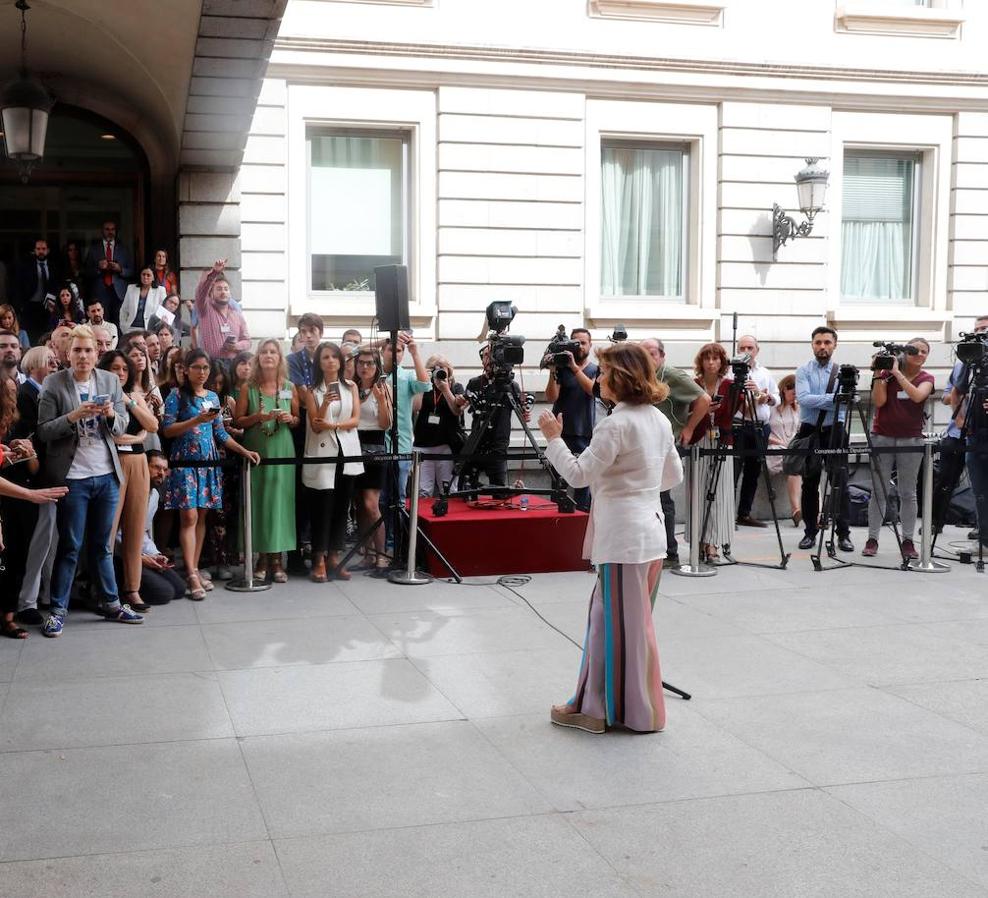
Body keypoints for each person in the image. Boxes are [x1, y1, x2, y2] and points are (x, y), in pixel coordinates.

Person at [538, 342, 682, 735]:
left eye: (603, 371)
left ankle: (607, 710)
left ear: (620, 378)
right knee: (626, 625)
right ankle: (611, 708)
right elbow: (673, 477)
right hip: (650, 534)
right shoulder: (658, 419)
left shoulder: (616, 424)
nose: (598, 378)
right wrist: (638, 486)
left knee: (612, 625)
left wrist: (553, 438)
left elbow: (578, 475)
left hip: (624, 538)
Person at [36, 325, 140, 636]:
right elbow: (43, 431)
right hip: (73, 477)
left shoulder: (109, 380)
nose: (83, 355)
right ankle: (57, 610)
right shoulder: (54, 383)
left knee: (102, 545)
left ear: (97, 354)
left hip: (106, 475)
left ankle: (111, 602)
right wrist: (73, 416)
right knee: (70, 546)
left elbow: (122, 423)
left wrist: (110, 415)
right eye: (77, 350)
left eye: (88, 350)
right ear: (68, 354)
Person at [162, 349, 259, 600]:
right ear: (186, 369)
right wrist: (196, 420)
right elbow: (168, 430)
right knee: (189, 517)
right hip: (184, 462)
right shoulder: (176, 396)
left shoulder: (214, 397)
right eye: (196, 367)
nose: (202, 372)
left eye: (205, 368)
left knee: (202, 516)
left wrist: (243, 450)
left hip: (209, 463)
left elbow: (221, 434)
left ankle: (193, 569)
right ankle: (192, 573)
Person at [861, 338, 934, 560]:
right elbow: (879, 401)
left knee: (908, 492)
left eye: (924, 351)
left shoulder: (926, 378)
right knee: (879, 491)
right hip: (882, 436)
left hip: (910, 439)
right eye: (914, 350)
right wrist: (879, 374)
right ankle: (872, 538)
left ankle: (908, 541)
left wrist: (897, 373)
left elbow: (917, 396)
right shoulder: (887, 374)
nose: (919, 354)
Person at [640, 338, 710, 567]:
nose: (648, 358)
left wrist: (689, 428)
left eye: (651, 353)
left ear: (661, 356)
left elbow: (704, 399)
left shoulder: (672, 375)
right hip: (644, 444)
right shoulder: (642, 377)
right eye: (642, 353)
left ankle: (670, 552)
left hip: (666, 445)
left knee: (662, 495)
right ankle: (656, 549)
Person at [99, 350, 159, 611]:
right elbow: (107, 436)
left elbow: (153, 425)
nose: (120, 373)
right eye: (115, 368)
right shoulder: (100, 398)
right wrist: (136, 437)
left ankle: (132, 590)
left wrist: (131, 402)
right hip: (110, 464)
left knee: (135, 529)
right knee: (107, 532)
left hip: (138, 464)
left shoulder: (134, 396)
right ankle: (105, 590)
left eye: (124, 369)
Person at [235, 339, 298, 582]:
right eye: (264, 352)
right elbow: (238, 421)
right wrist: (257, 417)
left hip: (282, 447)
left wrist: (289, 419)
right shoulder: (248, 387)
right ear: (257, 357)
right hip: (256, 449)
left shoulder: (289, 386)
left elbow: (297, 419)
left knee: (281, 502)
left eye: (273, 351)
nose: (269, 355)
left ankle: (276, 559)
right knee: (259, 501)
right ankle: (261, 557)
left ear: (280, 357)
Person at [301, 342, 363, 581]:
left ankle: (335, 556)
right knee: (321, 508)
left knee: (342, 507)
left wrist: (334, 425)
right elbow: (316, 426)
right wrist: (326, 401)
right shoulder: (312, 390)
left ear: (340, 361)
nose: (330, 361)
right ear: (319, 362)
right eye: (325, 357)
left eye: (334, 357)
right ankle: (318, 558)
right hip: (322, 453)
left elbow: (355, 419)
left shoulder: (351, 386)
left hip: (346, 453)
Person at [11, 345, 60, 627]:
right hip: (30, 481)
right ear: (34, 365)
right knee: (36, 545)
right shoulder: (25, 395)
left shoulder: (45, 393)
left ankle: (43, 595)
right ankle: (25, 601)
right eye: (49, 361)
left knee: (49, 544)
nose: (55, 365)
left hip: (48, 478)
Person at [795, 326, 853, 552]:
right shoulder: (803, 371)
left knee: (840, 484)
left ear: (834, 345)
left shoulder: (843, 372)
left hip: (835, 430)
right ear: (812, 344)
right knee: (809, 483)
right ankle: (810, 532)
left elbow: (847, 401)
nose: (822, 347)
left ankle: (843, 534)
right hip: (810, 430)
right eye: (818, 342)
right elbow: (803, 399)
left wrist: (832, 399)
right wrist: (834, 399)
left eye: (827, 342)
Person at [935, 315, 988, 540]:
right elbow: (954, 392)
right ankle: (984, 538)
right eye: (977, 330)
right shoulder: (967, 362)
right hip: (973, 435)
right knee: (979, 489)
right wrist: (960, 421)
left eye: (985, 329)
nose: (980, 334)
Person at [689, 343, 740, 562]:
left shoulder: (730, 385)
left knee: (720, 493)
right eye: (707, 358)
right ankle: (698, 540)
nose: (711, 362)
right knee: (698, 491)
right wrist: (701, 412)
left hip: (722, 440)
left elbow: (743, 411)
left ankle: (713, 543)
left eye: (716, 358)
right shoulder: (692, 385)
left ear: (722, 362)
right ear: (700, 362)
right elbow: (685, 413)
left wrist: (752, 393)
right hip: (699, 440)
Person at [119, 450, 187, 606]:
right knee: (164, 593)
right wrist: (139, 559)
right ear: (143, 466)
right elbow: (115, 536)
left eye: (164, 469)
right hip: (120, 556)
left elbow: (142, 532)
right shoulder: (126, 491)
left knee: (179, 588)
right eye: (156, 467)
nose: (161, 473)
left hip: (138, 552)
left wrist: (155, 554)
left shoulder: (154, 495)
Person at [544, 328, 599, 512]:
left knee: (583, 483)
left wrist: (575, 368)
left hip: (585, 433)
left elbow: (592, 390)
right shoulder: (562, 369)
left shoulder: (595, 369)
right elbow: (551, 397)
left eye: (583, 343)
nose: (579, 346)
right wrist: (553, 371)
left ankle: (582, 520)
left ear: (590, 345)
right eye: (575, 342)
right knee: (557, 482)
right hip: (560, 433)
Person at [286, 313, 325, 575]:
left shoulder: (329, 356)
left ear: (320, 332)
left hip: (327, 429)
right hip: (302, 428)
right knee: (298, 491)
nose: (308, 335)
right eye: (303, 331)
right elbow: (300, 394)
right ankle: (296, 551)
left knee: (321, 490)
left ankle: (320, 551)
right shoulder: (292, 360)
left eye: (312, 330)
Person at [460, 344, 527, 489]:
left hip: (499, 445)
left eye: (492, 355)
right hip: (476, 443)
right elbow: (461, 406)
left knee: (499, 490)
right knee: (467, 488)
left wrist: (525, 409)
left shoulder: (511, 386)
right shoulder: (475, 383)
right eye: (485, 355)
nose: (489, 359)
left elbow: (524, 414)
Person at [732, 335, 780, 528]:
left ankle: (744, 513)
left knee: (753, 472)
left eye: (750, 348)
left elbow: (775, 398)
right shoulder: (730, 372)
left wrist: (761, 394)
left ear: (757, 350)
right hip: (738, 427)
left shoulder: (764, 372)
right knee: (733, 472)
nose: (746, 352)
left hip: (760, 428)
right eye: (742, 348)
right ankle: (727, 513)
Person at [380, 331, 430, 513]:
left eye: (399, 351)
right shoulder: (372, 372)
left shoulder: (406, 376)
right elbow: (352, 352)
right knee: (380, 499)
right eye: (391, 349)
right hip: (377, 445)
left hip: (401, 445)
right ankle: (382, 540)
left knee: (398, 497)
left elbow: (425, 385)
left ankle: (396, 540)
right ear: (382, 351)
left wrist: (415, 352)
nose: (395, 354)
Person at [353, 345, 392, 570]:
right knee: (359, 504)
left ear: (377, 366)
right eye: (361, 363)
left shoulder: (383, 388)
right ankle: (367, 554)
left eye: (370, 363)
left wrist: (381, 400)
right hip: (352, 446)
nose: (365, 367)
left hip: (375, 447)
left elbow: (387, 424)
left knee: (371, 504)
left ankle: (381, 553)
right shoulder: (351, 387)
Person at [413, 354, 467, 497]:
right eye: (433, 368)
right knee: (423, 491)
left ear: (449, 370)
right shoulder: (424, 386)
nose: (438, 371)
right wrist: (422, 380)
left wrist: (445, 389)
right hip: (422, 445)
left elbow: (457, 411)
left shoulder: (456, 387)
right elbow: (415, 407)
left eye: (442, 367)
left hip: (445, 445)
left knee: (448, 490)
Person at [193, 259, 250, 360]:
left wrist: (236, 346)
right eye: (219, 289)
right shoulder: (205, 308)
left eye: (226, 289)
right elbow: (201, 292)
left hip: (233, 366)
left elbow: (247, 341)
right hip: (212, 366)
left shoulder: (237, 314)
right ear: (211, 293)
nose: (223, 292)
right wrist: (215, 272)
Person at [767, 374, 802, 527]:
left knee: (808, 467)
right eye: (793, 393)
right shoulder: (771, 408)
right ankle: (796, 509)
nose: (795, 397)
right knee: (795, 465)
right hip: (775, 447)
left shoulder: (798, 408)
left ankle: (815, 513)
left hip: (792, 448)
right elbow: (764, 432)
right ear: (784, 390)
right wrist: (781, 442)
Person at [84, 220, 133, 321]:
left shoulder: (124, 249)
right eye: (107, 229)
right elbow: (86, 272)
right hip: (100, 291)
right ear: (102, 231)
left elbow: (132, 271)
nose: (110, 232)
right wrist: (98, 267)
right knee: (102, 322)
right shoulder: (94, 249)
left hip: (119, 293)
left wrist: (120, 269)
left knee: (119, 322)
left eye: (112, 229)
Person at [14, 238, 58, 337]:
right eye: (38, 249)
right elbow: (18, 286)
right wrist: (21, 305)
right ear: (34, 250)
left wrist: (53, 304)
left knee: (46, 334)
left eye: (43, 248)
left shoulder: (53, 266)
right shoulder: (26, 266)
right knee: (31, 334)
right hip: (30, 306)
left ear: (48, 250)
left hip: (48, 306)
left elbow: (55, 286)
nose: (41, 251)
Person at [120, 267, 166, 335]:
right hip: (131, 329)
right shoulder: (131, 288)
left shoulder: (160, 290)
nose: (145, 277)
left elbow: (164, 311)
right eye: (143, 274)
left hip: (149, 329)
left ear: (153, 277)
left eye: (148, 275)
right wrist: (123, 326)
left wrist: (157, 330)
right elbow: (124, 310)